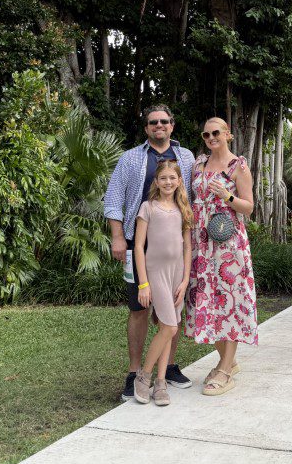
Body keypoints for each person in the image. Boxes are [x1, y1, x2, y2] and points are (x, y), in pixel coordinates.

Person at [104, 105, 195, 400]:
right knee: (139, 308)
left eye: (164, 121)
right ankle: (134, 373)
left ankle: (166, 368)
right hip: (138, 244)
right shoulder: (131, 159)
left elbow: (193, 196)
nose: (159, 126)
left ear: (172, 125)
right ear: (146, 128)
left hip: (173, 247)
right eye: (153, 122)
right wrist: (118, 237)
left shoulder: (186, 158)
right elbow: (114, 198)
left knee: (172, 311)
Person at [185, 117, 258, 396]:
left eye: (216, 132)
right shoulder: (198, 165)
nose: (211, 137)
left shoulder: (238, 166)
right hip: (201, 243)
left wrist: (228, 196)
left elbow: (248, 207)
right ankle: (228, 360)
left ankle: (225, 370)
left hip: (228, 244)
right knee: (207, 301)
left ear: (227, 134)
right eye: (206, 134)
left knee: (230, 300)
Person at [133, 160, 192, 406]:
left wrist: (186, 280)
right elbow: (138, 246)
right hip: (156, 272)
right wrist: (143, 284)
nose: (168, 182)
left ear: (179, 181)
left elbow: (188, 246)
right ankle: (143, 376)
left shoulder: (183, 209)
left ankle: (161, 383)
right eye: (163, 178)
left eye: (172, 178)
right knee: (169, 327)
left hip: (177, 273)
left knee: (169, 327)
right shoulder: (148, 207)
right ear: (156, 182)